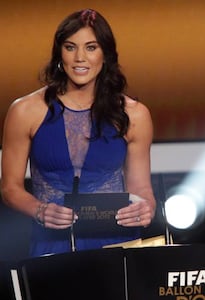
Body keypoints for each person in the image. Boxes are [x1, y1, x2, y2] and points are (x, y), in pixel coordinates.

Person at [0, 9, 156, 257]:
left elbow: (141, 189)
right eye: (71, 47)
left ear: (105, 54)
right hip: (52, 245)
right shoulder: (25, 111)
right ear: (59, 53)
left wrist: (146, 207)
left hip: (116, 245)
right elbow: (10, 188)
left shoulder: (134, 115)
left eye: (91, 47)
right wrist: (40, 210)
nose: (80, 58)